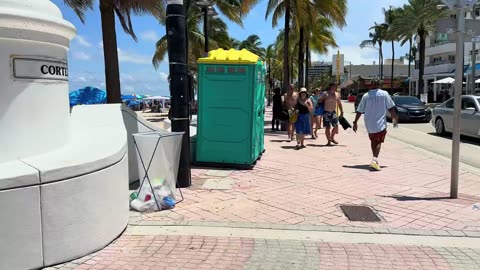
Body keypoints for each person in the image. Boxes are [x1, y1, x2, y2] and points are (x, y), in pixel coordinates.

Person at [353, 80, 398, 171]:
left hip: (369, 122)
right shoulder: (384, 94)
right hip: (380, 122)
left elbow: (359, 110)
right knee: (378, 141)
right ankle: (374, 160)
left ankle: (375, 160)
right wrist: (394, 120)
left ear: (371, 85)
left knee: (374, 140)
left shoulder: (366, 95)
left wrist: (355, 122)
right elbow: (391, 108)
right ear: (379, 85)